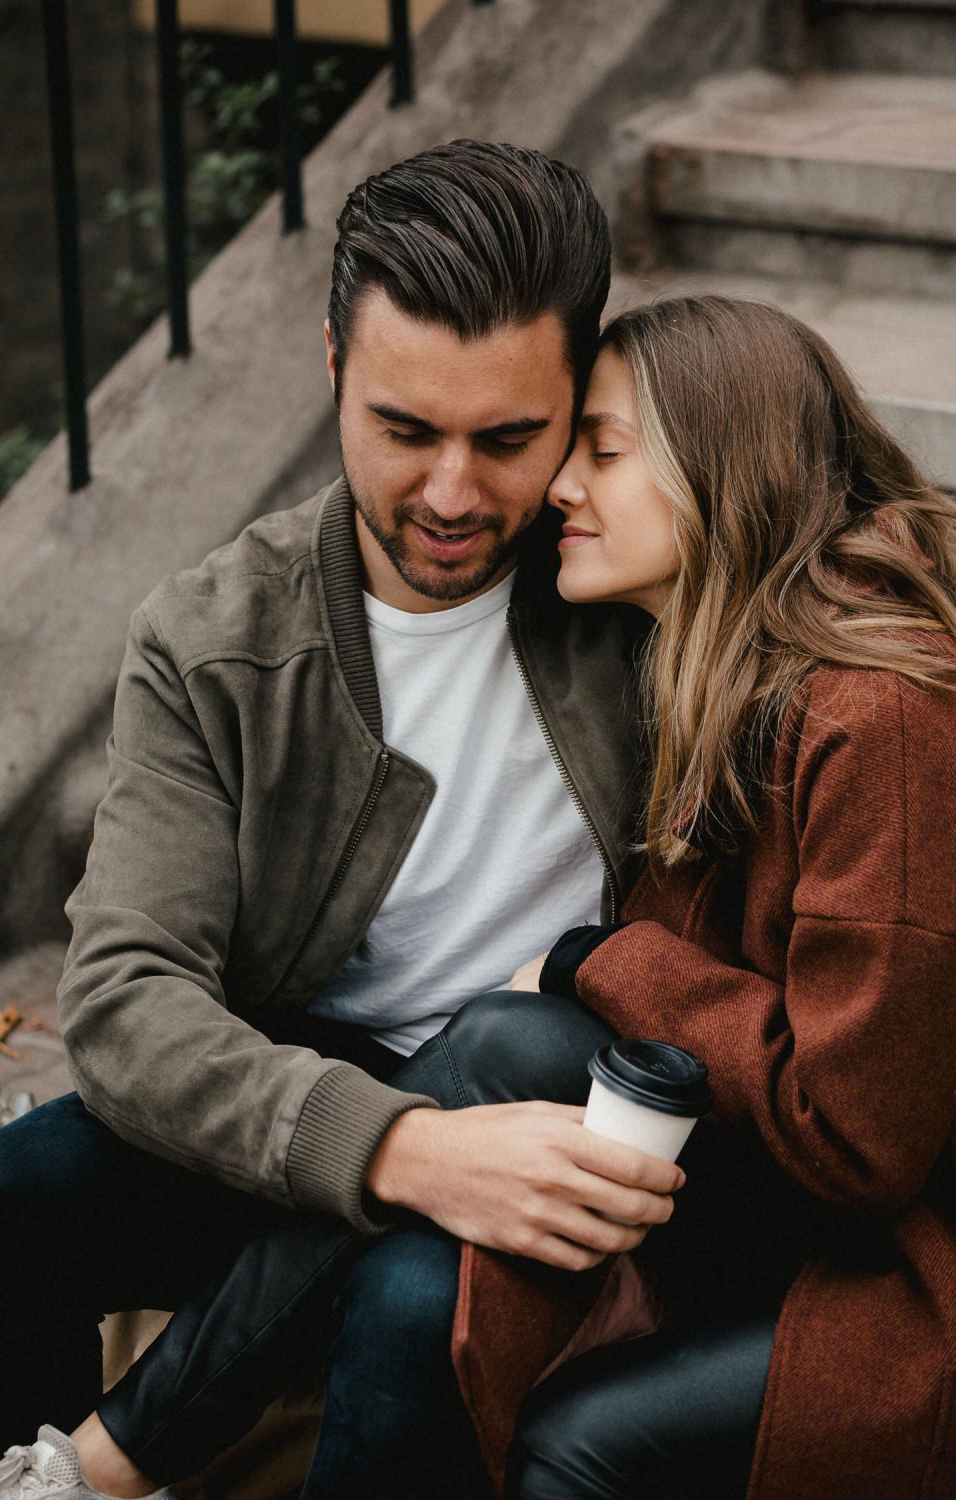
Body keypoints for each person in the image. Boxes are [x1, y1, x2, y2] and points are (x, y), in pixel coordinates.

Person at [0, 141, 684, 1500]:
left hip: (562, 1109)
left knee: (416, 1307)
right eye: (405, 429)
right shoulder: (218, 634)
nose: (456, 494)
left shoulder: (638, 591)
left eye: (509, 437)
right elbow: (121, 999)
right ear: (334, 367)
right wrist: (400, 1143)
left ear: (580, 400)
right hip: (307, 1090)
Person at [452, 294, 954, 1499]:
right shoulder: (721, 673)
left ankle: (132, 1441)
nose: (560, 488)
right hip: (766, 1207)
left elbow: (856, 1142)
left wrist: (599, 959)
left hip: (897, 1265)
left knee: (575, 1438)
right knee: (503, 1046)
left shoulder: (875, 717)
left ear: (722, 465)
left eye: (604, 451)